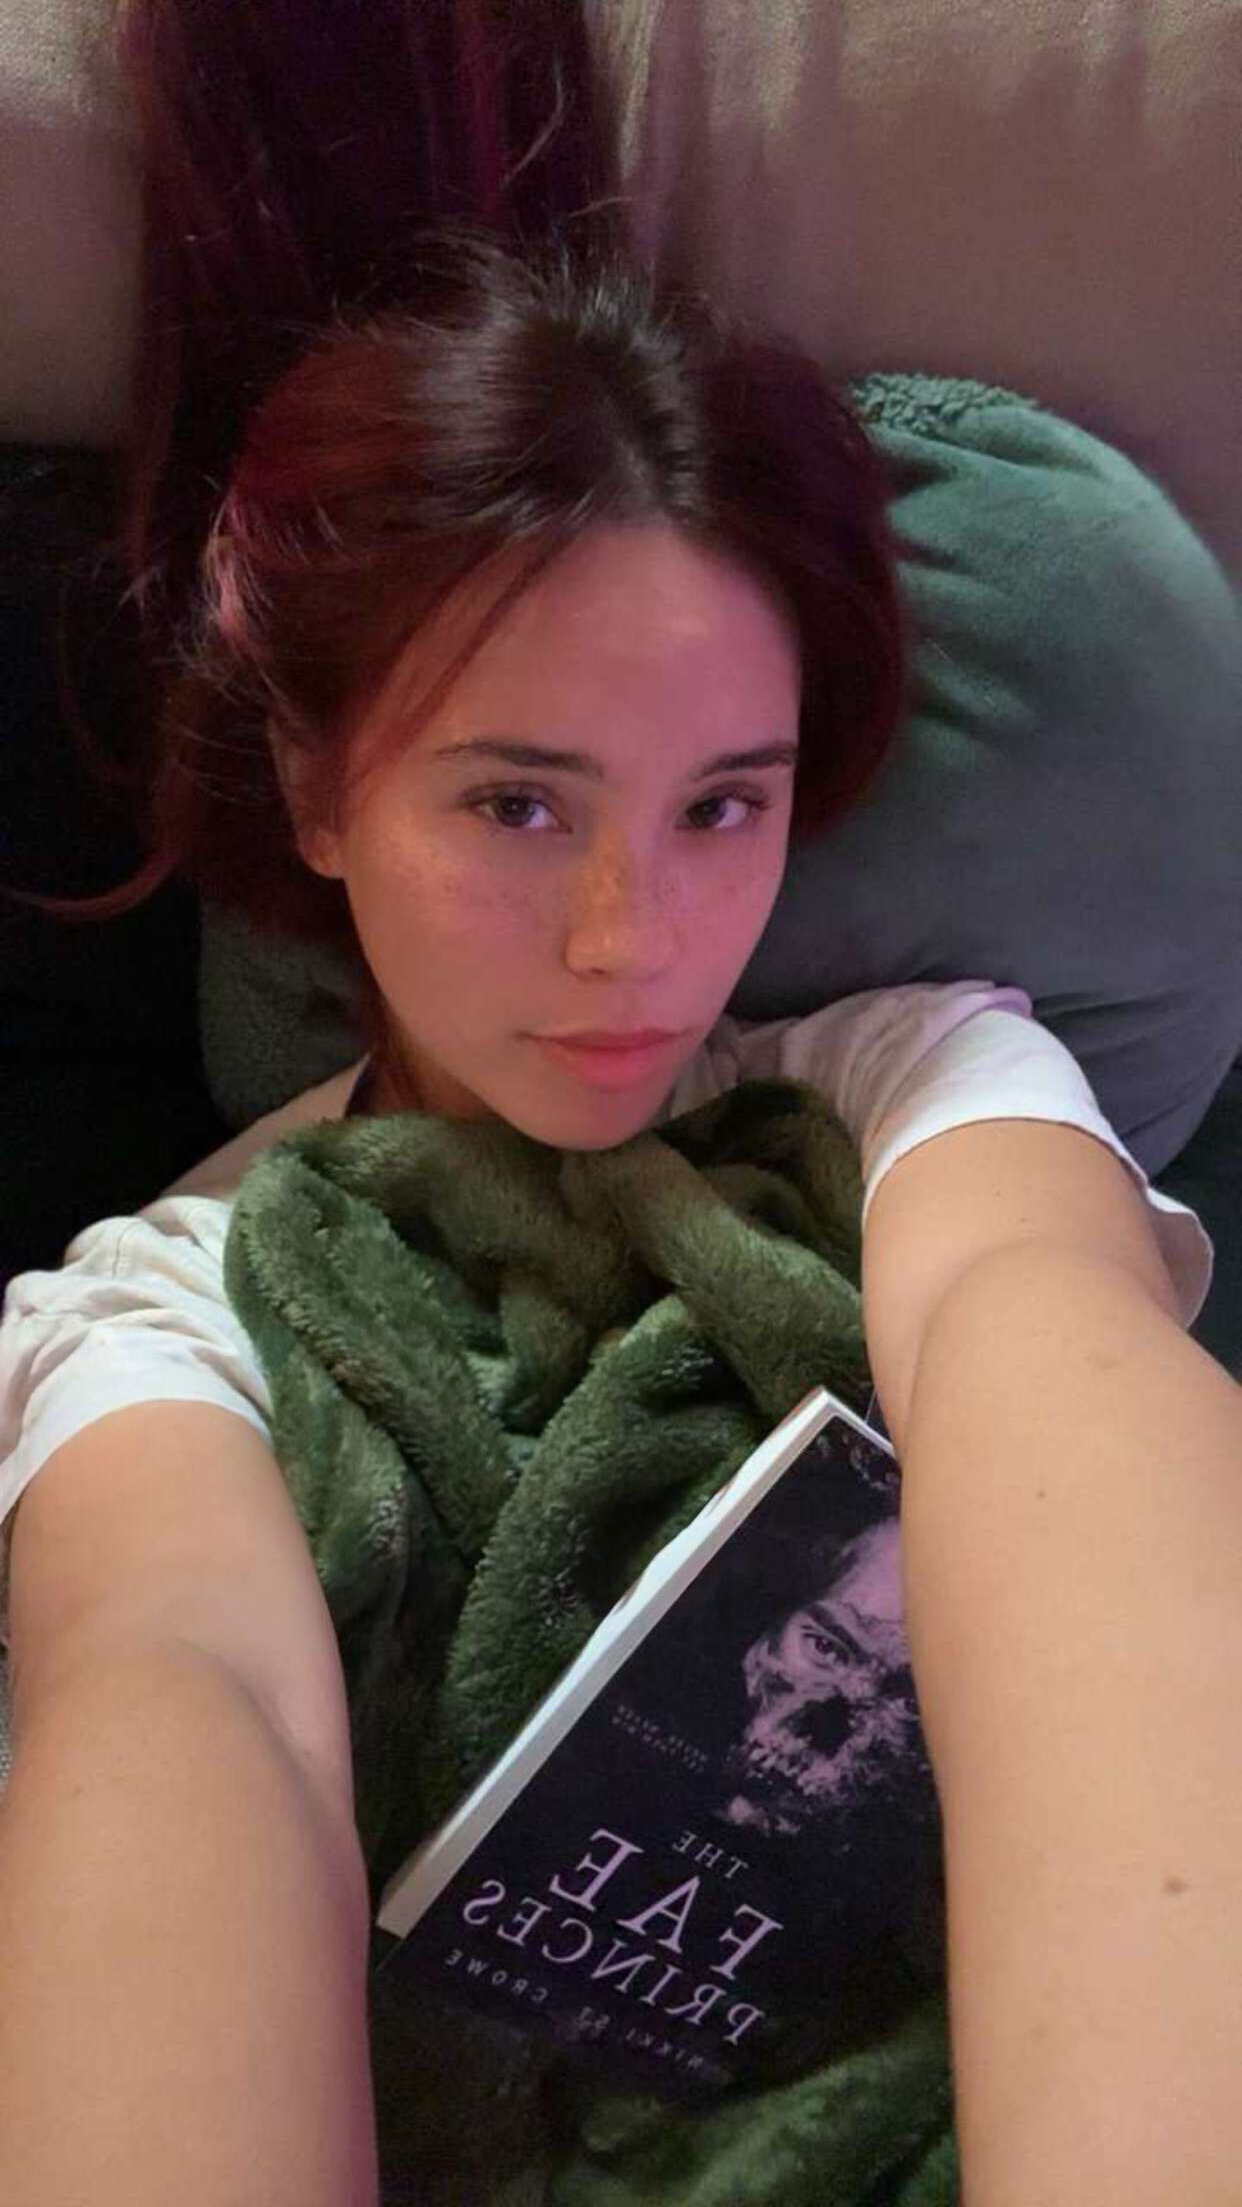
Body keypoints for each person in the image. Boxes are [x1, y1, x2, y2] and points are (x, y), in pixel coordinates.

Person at [0, 223, 1239, 2207]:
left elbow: (1048, 1346)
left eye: (721, 806)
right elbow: (182, 1683)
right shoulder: (152, 1312)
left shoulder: (908, 1081)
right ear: (317, 791)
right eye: (516, 805)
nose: (630, 943)